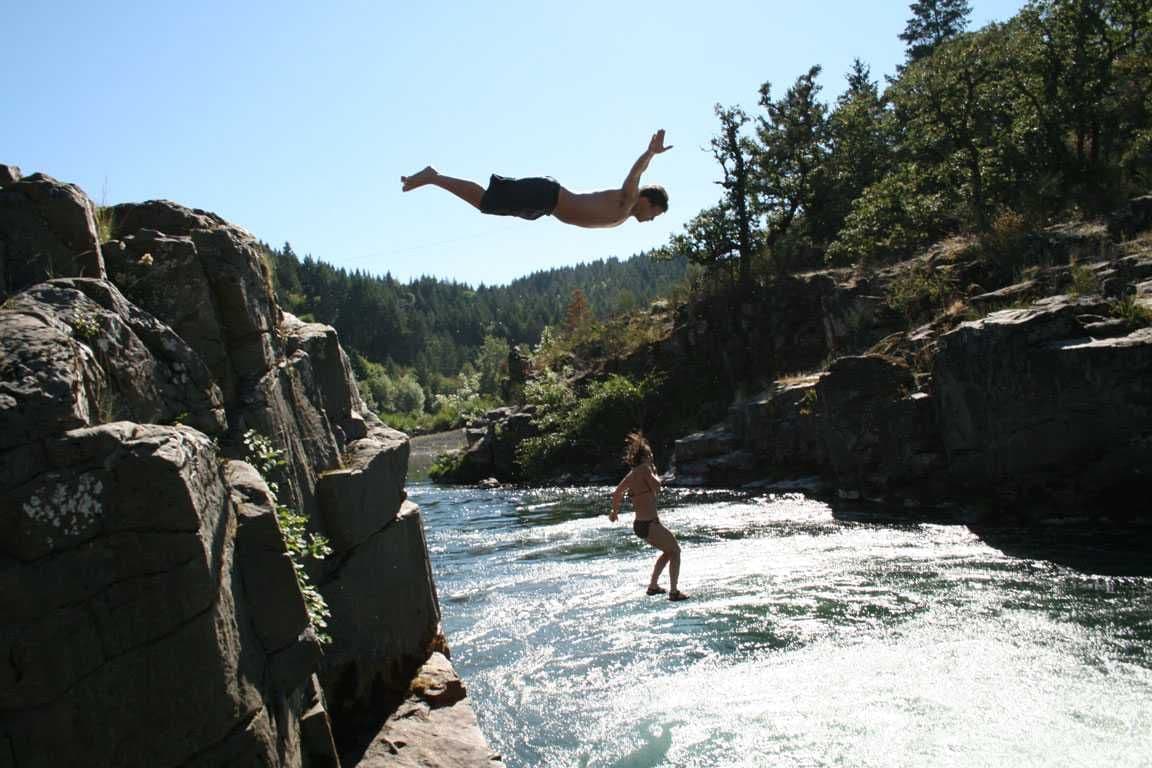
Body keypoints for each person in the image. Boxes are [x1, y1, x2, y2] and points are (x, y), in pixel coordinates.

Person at [400, 130, 672, 228]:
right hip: (547, 196)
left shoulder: (623, 215)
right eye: (654, 214)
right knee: (485, 202)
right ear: (647, 200)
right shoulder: (627, 201)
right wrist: (650, 153)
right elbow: (636, 174)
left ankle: (434, 178)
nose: (650, 220)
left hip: (544, 206)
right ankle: (434, 177)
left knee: (487, 203)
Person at [609, 432, 688, 601]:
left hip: (640, 525)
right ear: (645, 456)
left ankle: (653, 586)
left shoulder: (632, 474)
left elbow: (616, 493)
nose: (652, 456)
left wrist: (614, 512)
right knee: (675, 551)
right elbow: (657, 486)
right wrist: (654, 471)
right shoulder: (645, 469)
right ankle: (674, 592)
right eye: (650, 454)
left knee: (668, 551)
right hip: (650, 524)